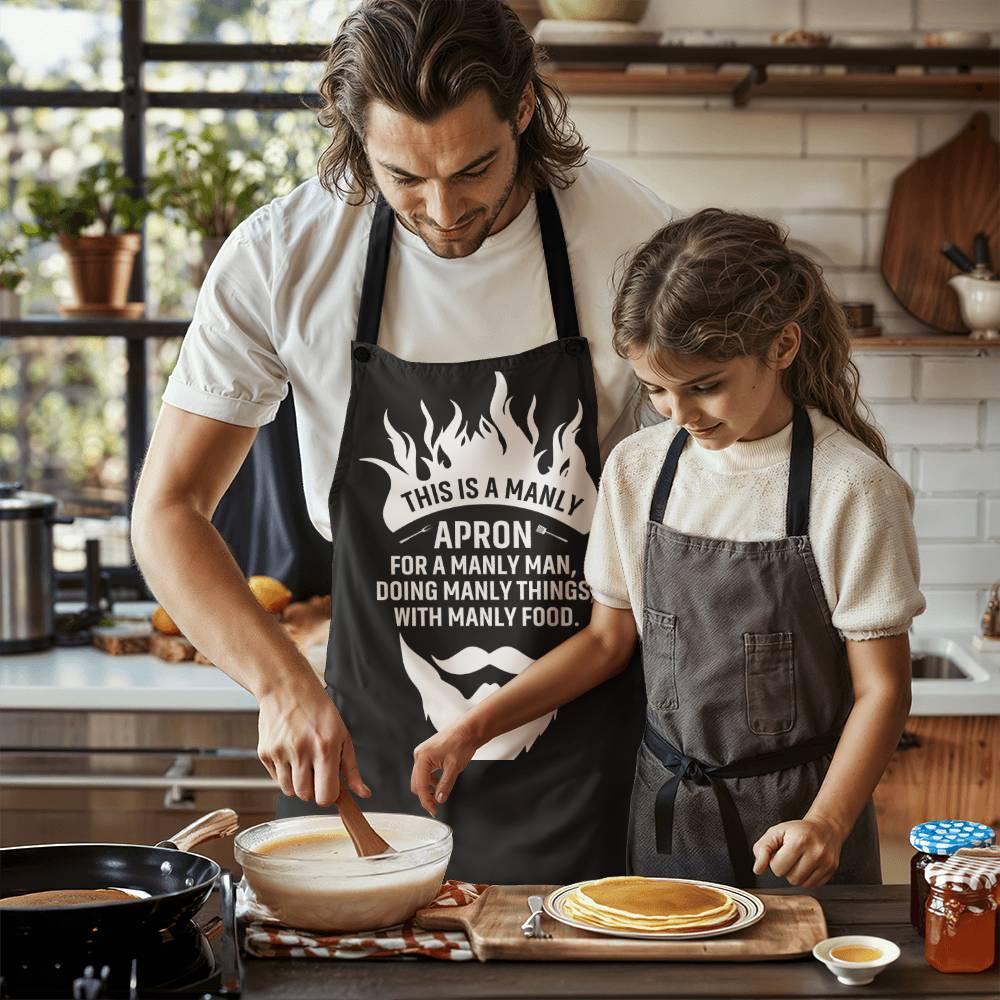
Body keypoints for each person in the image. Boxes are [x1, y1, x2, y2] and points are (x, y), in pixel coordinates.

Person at [130, 0, 676, 884]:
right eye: (403, 178)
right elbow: (166, 511)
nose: (444, 209)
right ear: (354, 136)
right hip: (365, 748)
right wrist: (279, 685)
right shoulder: (283, 256)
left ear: (525, 110)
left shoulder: (634, 241)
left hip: (586, 756)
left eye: (474, 170)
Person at [411, 208, 925, 888]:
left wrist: (826, 822)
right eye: (656, 389)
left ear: (782, 346)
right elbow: (604, 644)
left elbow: (883, 689)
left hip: (798, 830)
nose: (678, 415)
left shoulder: (852, 487)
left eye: (704, 386)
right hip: (668, 820)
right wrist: (473, 727)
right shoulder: (639, 468)